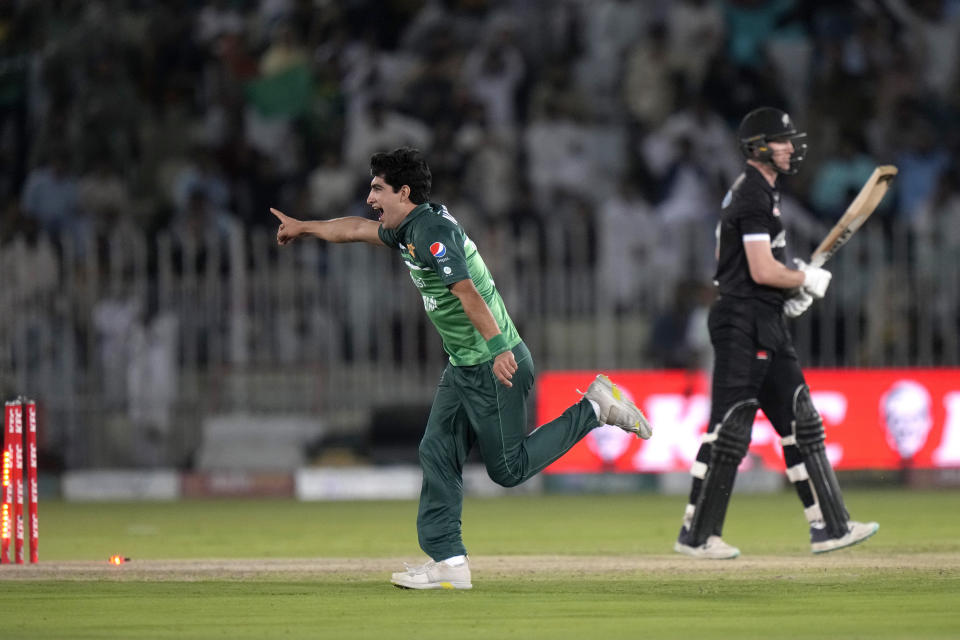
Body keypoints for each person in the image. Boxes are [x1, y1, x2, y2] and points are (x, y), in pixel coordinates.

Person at [271, 147, 651, 588]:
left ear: (404, 192)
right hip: (464, 366)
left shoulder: (431, 231)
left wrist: (497, 349)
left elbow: (466, 290)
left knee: (507, 470)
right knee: (436, 451)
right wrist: (305, 227)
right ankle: (449, 563)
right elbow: (355, 229)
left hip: (493, 363)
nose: (370, 198)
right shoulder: (408, 226)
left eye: (377, 188)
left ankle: (594, 408)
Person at [673, 107, 879, 559]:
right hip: (742, 325)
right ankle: (698, 534)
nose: (791, 147)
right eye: (782, 140)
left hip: (764, 319)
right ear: (759, 147)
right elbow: (761, 268)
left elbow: (751, 270)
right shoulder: (752, 196)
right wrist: (801, 279)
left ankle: (831, 526)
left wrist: (788, 290)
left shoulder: (760, 195)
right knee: (729, 429)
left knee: (801, 423)